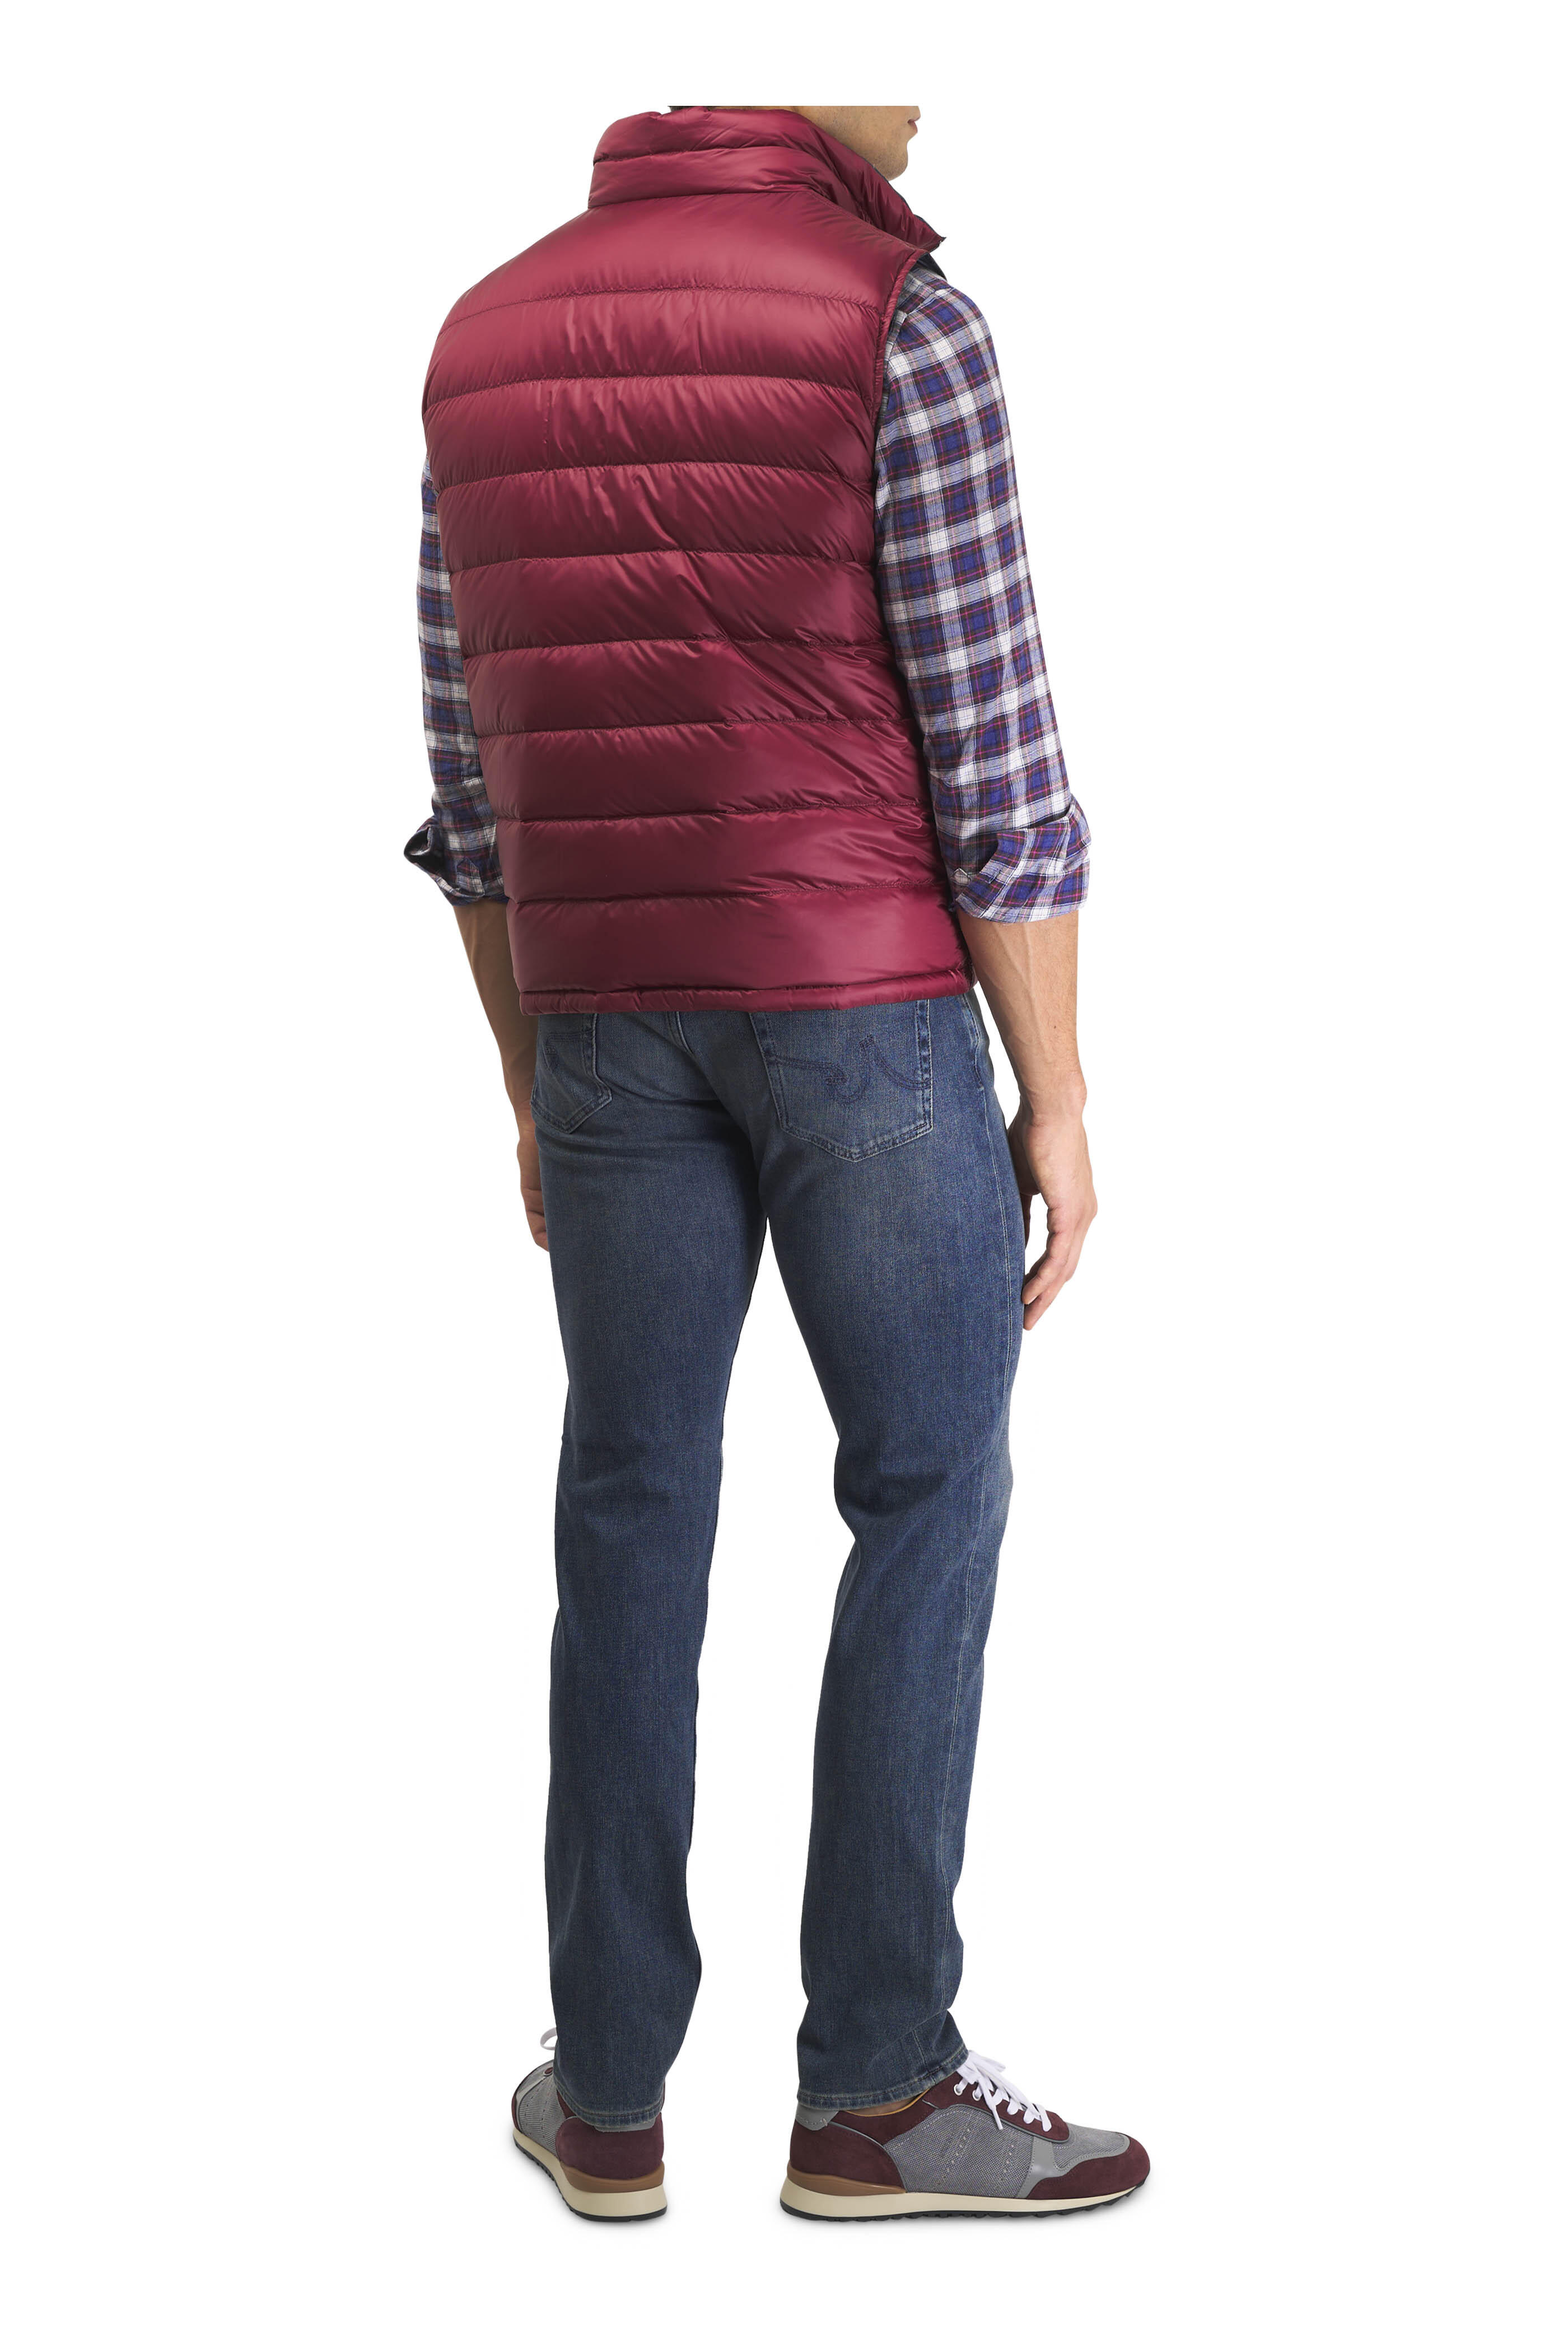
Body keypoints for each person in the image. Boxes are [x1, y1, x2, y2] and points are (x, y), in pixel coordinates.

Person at [408, 104, 1148, 2222]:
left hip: (603, 1019)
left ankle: (607, 2097)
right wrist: (1059, 1091)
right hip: (865, 1011)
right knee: (927, 1486)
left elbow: (474, 774)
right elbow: (997, 755)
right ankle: (878, 2093)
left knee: (629, 1509)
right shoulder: (900, 321)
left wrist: (531, 1079)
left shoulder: (478, 340)